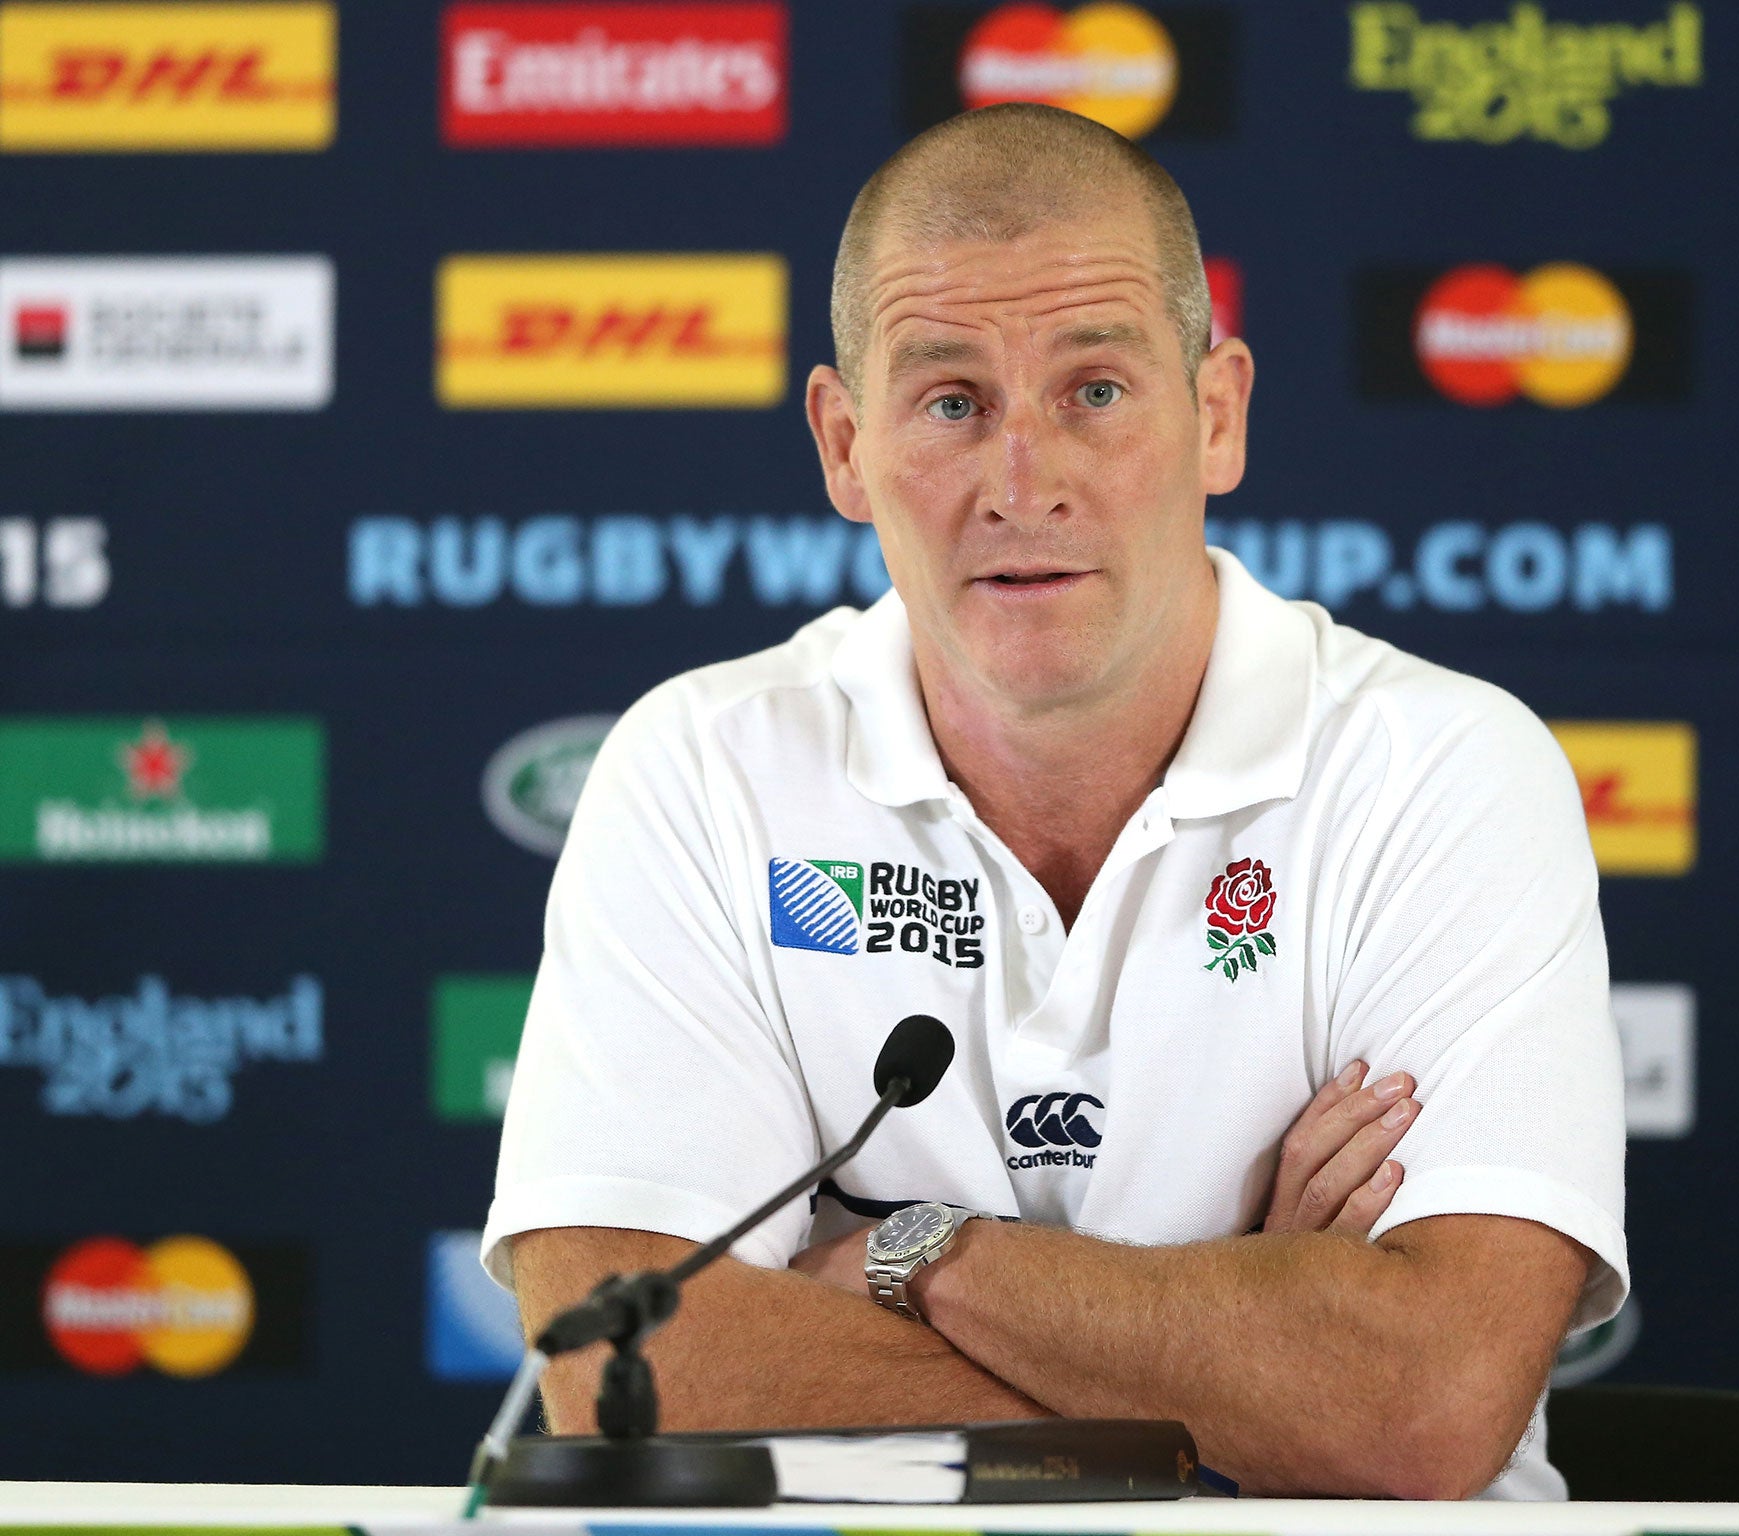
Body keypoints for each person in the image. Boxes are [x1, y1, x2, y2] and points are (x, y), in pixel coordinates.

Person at [484, 102, 1626, 1501]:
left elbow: (1417, 1408)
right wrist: (1245, 1334)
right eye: (952, 402)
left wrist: (910, 1257)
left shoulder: (1443, 773)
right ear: (846, 446)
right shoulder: (705, 770)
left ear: (1216, 416)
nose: (1024, 484)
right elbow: (627, 1366)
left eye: (1094, 390)